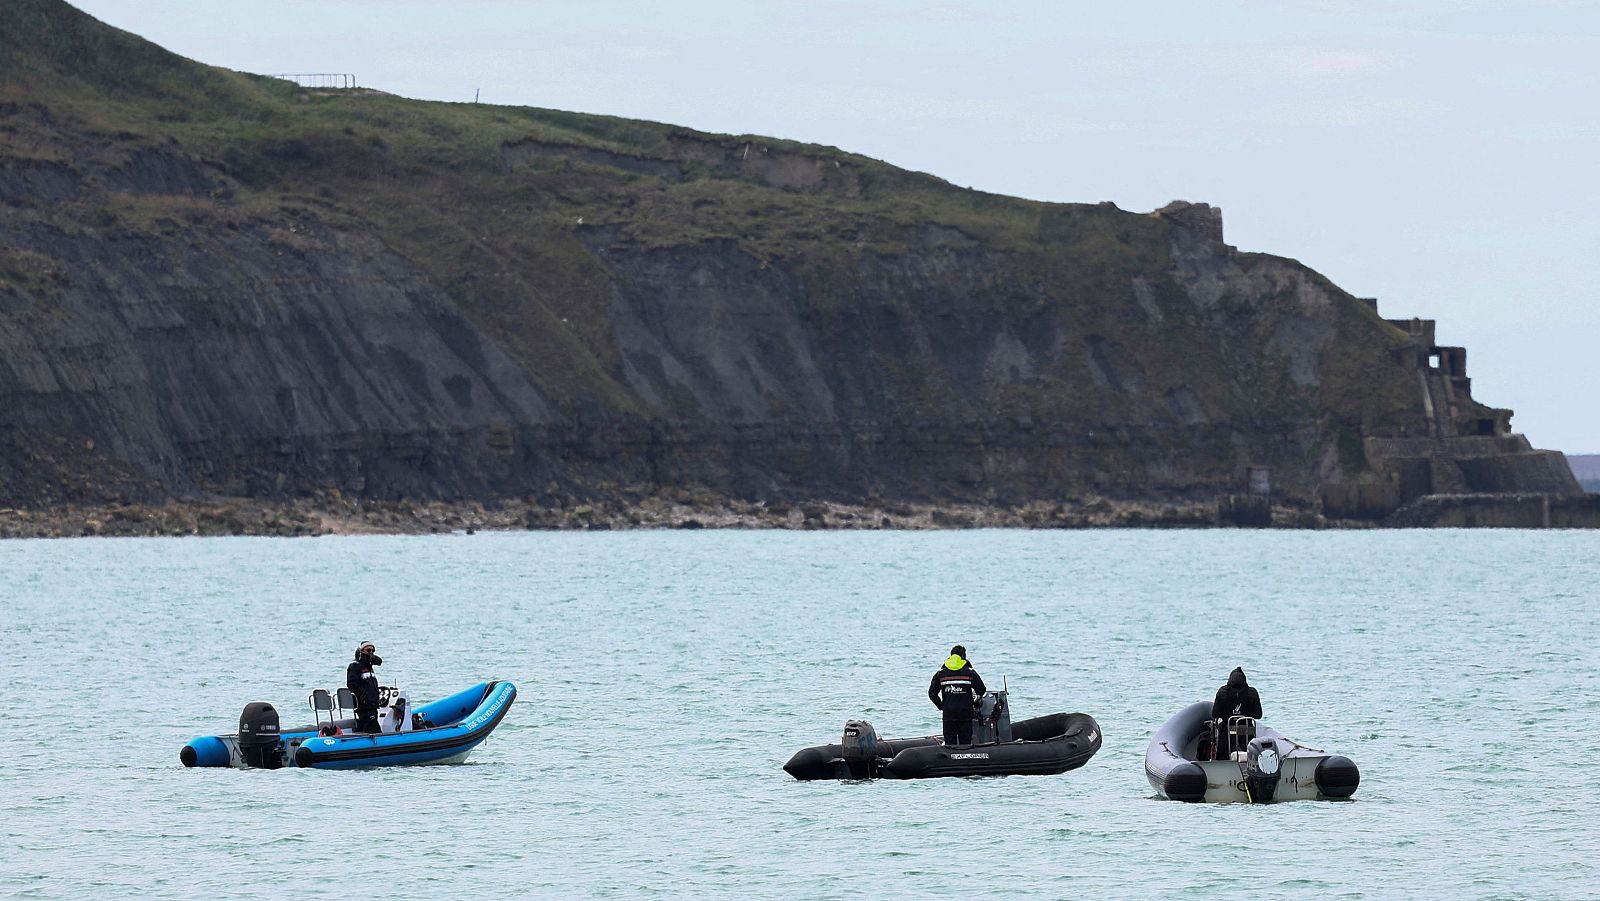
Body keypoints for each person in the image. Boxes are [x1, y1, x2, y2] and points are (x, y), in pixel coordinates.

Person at [928, 645, 987, 747]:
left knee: (950, 745)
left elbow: (932, 694)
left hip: (948, 713)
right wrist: (974, 701)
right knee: (965, 744)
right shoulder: (970, 672)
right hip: (965, 712)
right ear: (963, 656)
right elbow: (981, 690)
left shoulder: (941, 674)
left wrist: (941, 706)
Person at [1209, 666, 1263, 758]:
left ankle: (1223, 762)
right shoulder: (1252, 692)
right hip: (1247, 731)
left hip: (1227, 731)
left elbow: (1215, 714)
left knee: (1223, 746)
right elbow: (1258, 715)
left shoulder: (1223, 692)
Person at [346, 641, 384, 733]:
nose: (371, 652)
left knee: (368, 726)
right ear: (362, 651)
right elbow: (351, 683)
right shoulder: (355, 666)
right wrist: (363, 695)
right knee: (375, 730)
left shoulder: (369, 666)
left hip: (373, 705)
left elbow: (379, 661)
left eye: (373, 650)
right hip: (364, 706)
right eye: (368, 650)